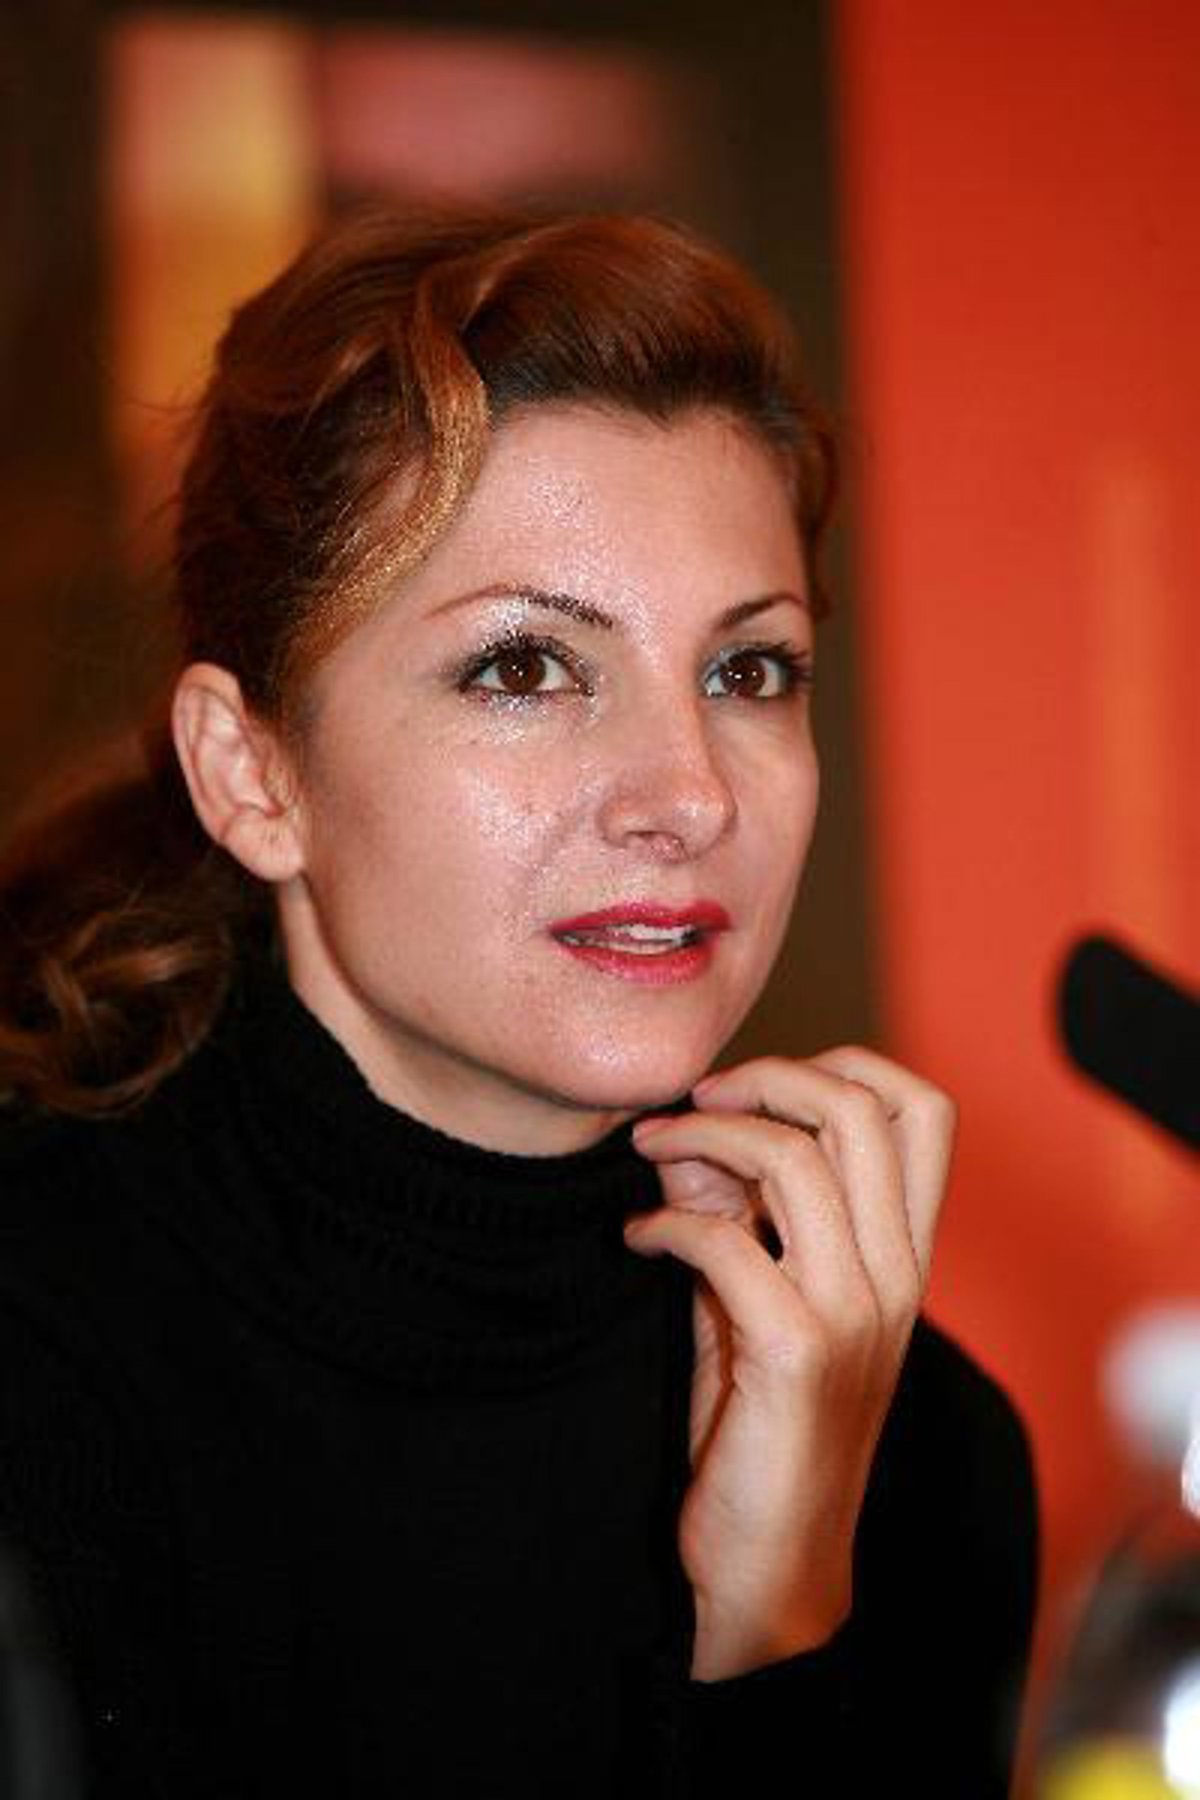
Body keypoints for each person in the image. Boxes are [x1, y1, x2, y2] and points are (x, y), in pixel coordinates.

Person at [0, 206, 1037, 1798]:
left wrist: (780, 1625)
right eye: (526, 669)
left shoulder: (910, 1445)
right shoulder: (44, 1356)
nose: (689, 795)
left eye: (748, 672)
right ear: (253, 774)